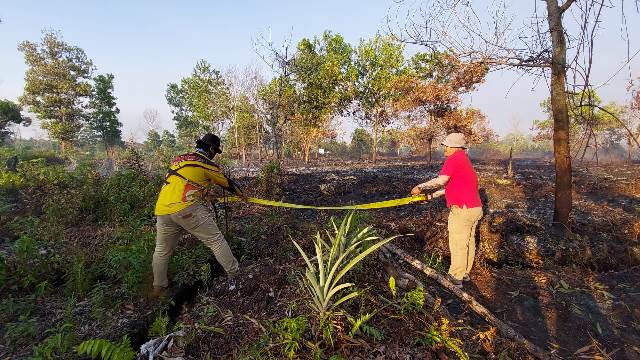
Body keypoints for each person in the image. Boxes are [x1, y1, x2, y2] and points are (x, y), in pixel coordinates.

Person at [152, 133, 244, 296]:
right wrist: (244, 196)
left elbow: (184, 182)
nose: (214, 155)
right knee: (216, 241)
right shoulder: (205, 163)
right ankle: (235, 275)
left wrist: (204, 195)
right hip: (186, 208)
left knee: (161, 250)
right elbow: (227, 183)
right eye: (215, 151)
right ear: (210, 149)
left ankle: (158, 288)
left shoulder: (179, 159)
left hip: (162, 209)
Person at [411, 133, 483, 288]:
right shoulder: (465, 161)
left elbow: (441, 180)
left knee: (458, 243)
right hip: (475, 209)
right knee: (468, 242)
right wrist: (430, 197)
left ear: (455, 147)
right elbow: (449, 187)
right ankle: (464, 274)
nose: (444, 148)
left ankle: (455, 278)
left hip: (462, 210)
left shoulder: (454, 159)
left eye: (447, 145)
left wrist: (420, 187)